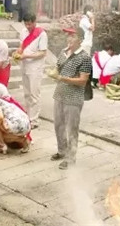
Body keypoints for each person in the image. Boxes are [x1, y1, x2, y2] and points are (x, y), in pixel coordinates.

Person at [48, 27, 92, 170]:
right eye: (68, 36)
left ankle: (70, 158)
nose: (69, 39)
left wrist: (62, 78)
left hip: (74, 97)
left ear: (80, 39)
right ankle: (61, 151)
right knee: (58, 125)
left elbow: (82, 81)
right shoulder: (63, 52)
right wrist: (53, 73)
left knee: (72, 128)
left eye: (73, 37)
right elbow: (58, 68)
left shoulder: (84, 57)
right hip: (59, 94)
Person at [16, 13, 48, 129]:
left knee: (34, 94)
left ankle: (34, 120)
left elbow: (43, 53)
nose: (28, 26)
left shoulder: (42, 34)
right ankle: (28, 116)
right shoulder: (23, 31)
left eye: (30, 24)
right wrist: (18, 52)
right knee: (27, 92)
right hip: (24, 65)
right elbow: (22, 46)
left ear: (35, 22)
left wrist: (27, 57)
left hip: (35, 67)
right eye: (26, 24)